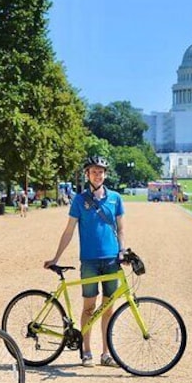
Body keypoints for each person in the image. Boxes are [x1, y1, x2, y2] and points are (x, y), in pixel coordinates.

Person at [44, 156, 125, 367]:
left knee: (108, 308)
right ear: (87, 175)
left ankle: (106, 353)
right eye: (93, 172)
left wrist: (123, 250)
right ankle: (86, 351)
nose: (98, 175)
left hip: (111, 260)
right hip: (89, 260)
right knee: (89, 307)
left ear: (105, 174)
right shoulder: (80, 200)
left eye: (100, 172)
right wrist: (56, 257)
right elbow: (69, 230)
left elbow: (121, 228)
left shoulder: (116, 198)